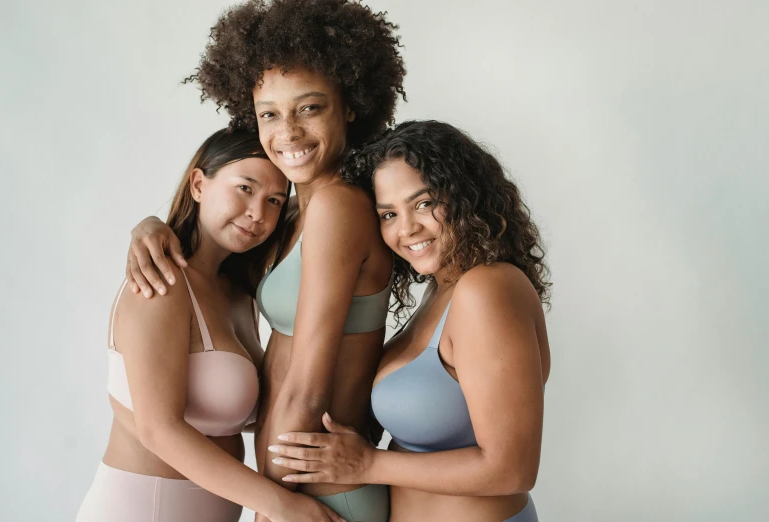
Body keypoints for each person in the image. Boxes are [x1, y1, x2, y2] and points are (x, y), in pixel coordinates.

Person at [123, 1, 406, 520]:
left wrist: (274, 505)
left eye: (310, 107)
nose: (289, 132)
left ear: (350, 105)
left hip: (314, 491)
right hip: (300, 487)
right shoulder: (296, 212)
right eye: (269, 114)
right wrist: (151, 226)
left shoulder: (340, 207)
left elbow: (308, 385)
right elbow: (218, 255)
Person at [267, 120, 552, 522]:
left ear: (465, 196)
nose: (407, 229)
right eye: (388, 214)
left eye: (423, 203)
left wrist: (368, 465)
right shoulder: (442, 292)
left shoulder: (488, 289)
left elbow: (512, 469)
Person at [77, 127, 347, 522]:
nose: (258, 213)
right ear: (199, 184)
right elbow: (158, 429)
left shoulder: (240, 295)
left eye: (274, 200)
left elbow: (320, 207)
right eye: (244, 188)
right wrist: (281, 504)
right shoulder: (161, 281)